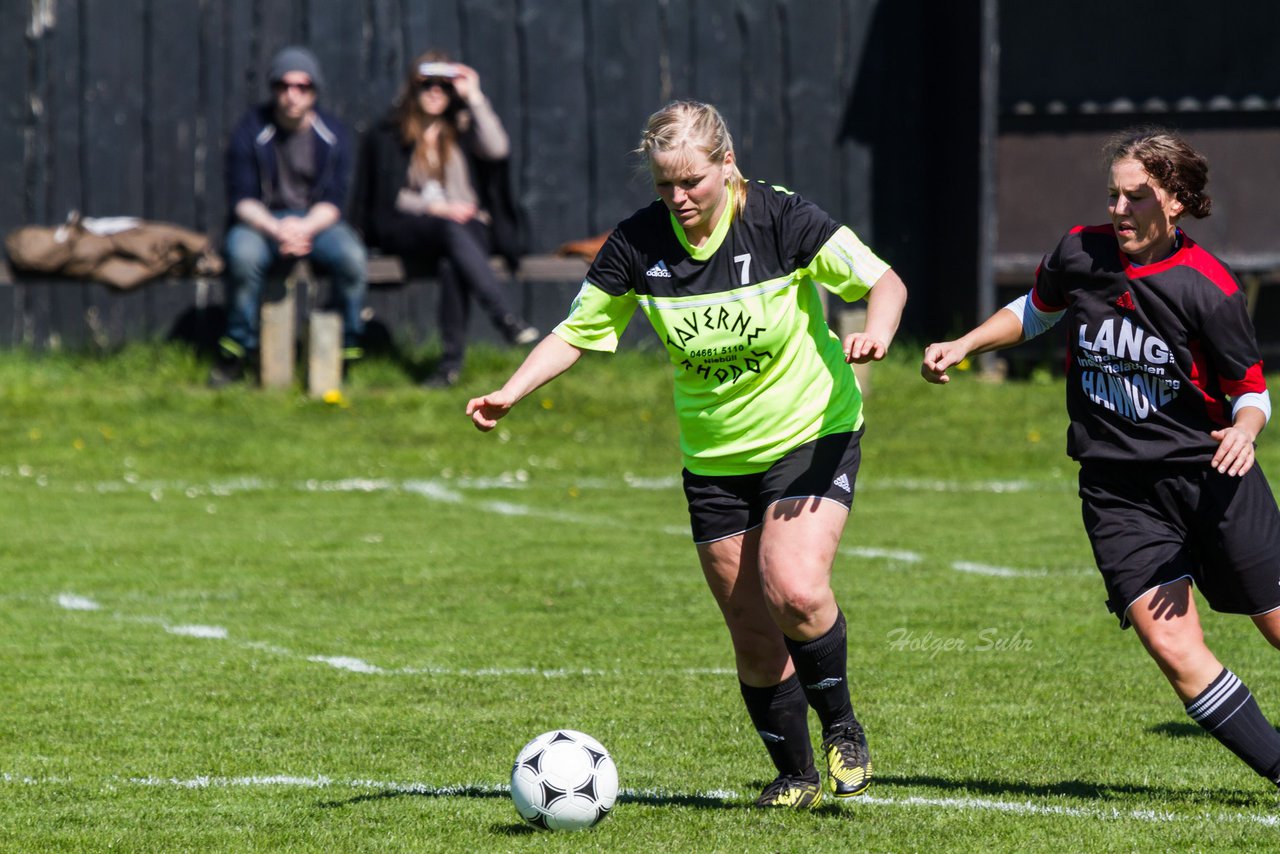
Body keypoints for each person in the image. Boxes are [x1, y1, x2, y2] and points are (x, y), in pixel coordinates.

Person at [467, 100, 909, 808]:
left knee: (792, 586)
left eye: (692, 183)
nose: (679, 199)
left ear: (727, 165)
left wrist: (877, 333)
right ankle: (794, 774)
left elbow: (883, 281)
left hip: (810, 429)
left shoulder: (778, 217)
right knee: (753, 632)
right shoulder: (639, 244)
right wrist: (510, 391)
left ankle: (844, 730)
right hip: (714, 457)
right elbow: (577, 331)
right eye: (664, 186)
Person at [922, 127, 1280, 789]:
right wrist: (967, 343)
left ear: (1174, 201)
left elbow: (1250, 390)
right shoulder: (1080, 253)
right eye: (1113, 195)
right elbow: (1035, 310)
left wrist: (1246, 430)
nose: (1118, 210)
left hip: (1213, 482)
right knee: (1174, 648)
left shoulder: (1209, 288)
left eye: (1135, 197)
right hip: (1118, 493)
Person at [354, 52, 537, 389]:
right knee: (450, 231)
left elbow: (498, 149)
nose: (435, 91)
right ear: (413, 87)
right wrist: (435, 208)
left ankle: (449, 368)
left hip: (468, 228)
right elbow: (386, 196)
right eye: (427, 84)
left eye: (444, 85)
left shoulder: (464, 127)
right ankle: (504, 316)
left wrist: (475, 96)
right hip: (412, 226)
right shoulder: (390, 135)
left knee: (455, 262)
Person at [212, 45, 368, 386]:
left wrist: (304, 228)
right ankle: (238, 347)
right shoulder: (250, 131)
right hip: (264, 223)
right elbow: (243, 200)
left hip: (316, 222)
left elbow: (335, 201)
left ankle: (348, 345)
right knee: (242, 255)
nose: (292, 95)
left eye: (302, 87)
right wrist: (278, 228)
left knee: (353, 257)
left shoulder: (333, 135)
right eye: (283, 86)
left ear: (315, 90)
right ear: (273, 89)